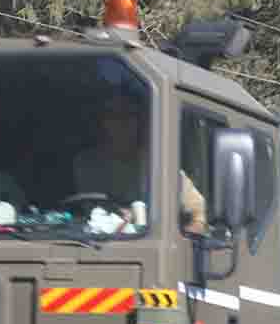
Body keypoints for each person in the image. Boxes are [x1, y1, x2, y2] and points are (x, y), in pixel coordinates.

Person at [70, 92, 206, 236]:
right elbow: (87, 210)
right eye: (113, 115)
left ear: (138, 122)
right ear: (103, 122)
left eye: (128, 116)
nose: (121, 123)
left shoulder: (160, 163)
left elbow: (198, 212)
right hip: (94, 243)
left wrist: (191, 232)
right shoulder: (87, 163)